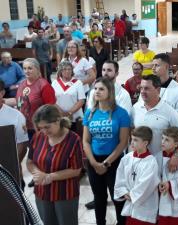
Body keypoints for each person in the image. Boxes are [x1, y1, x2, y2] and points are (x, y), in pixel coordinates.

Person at [82, 77, 131, 225]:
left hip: (114, 161)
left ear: (110, 92)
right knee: (99, 197)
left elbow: (123, 142)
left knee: (118, 198)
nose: (97, 91)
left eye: (101, 89)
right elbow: (86, 141)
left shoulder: (121, 113)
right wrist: (94, 163)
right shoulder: (90, 113)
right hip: (94, 161)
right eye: (95, 88)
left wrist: (106, 163)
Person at [26, 104, 83, 225]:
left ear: (58, 120)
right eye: (41, 128)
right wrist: (37, 173)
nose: (44, 131)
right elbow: (30, 162)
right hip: (42, 192)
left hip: (65, 194)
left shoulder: (73, 139)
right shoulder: (38, 137)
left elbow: (76, 169)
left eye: (47, 127)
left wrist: (49, 177)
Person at [131, 75, 178, 172]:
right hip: (139, 162)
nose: (142, 91)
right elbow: (132, 132)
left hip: (160, 164)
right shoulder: (135, 108)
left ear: (158, 90)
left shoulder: (170, 111)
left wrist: (176, 155)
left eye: (147, 88)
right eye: (141, 88)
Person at [114, 126, 160, 225]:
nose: (131, 142)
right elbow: (119, 178)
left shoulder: (151, 162)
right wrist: (123, 192)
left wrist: (132, 195)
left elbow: (147, 185)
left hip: (145, 207)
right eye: (131, 139)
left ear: (145, 143)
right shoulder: (126, 158)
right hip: (130, 205)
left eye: (135, 140)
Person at [15, 58, 56, 139]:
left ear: (37, 69)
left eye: (30, 68)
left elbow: (50, 108)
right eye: (25, 68)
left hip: (39, 128)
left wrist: (43, 127)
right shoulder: (22, 84)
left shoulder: (44, 85)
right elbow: (19, 102)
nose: (27, 71)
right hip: (23, 126)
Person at [0, 79, 29, 189]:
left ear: (2, 93)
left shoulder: (16, 116)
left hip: (11, 171)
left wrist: (12, 164)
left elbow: (22, 145)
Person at [151, 53, 178, 122]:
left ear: (166, 67)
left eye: (156, 65)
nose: (153, 68)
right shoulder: (148, 87)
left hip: (170, 130)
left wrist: (163, 115)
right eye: (153, 65)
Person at [51, 61, 85, 132]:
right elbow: (52, 100)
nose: (67, 71)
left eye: (69, 69)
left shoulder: (78, 83)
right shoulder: (54, 83)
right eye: (64, 69)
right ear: (60, 71)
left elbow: (81, 100)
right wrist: (62, 113)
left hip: (75, 117)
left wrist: (69, 113)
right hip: (59, 117)